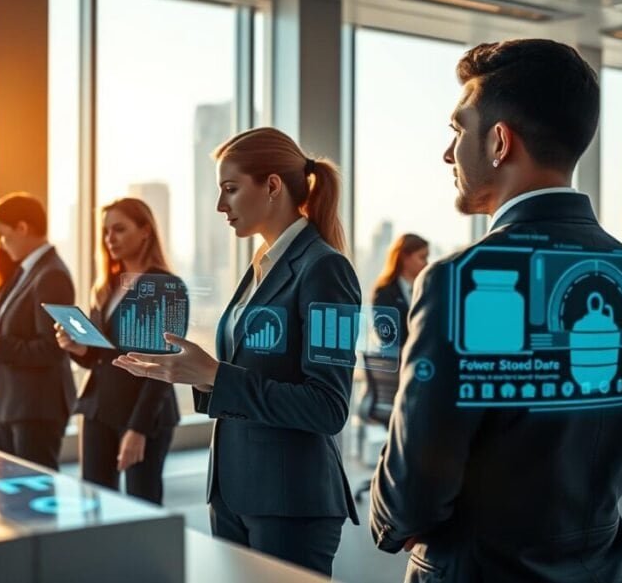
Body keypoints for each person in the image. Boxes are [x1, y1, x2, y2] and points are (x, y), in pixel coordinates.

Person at [369, 39, 622, 582]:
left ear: (500, 142)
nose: (447, 152)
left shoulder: (462, 282)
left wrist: (391, 519)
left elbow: (409, 501)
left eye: (458, 130)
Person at [113, 127, 360, 576]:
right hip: (234, 492)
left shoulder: (326, 269)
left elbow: (329, 406)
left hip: (289, 503)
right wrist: (196, 374)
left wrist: (215, 376)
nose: (219, 206)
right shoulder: (261, 266)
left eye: (230, 189)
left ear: (271, 186)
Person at [55, 197, 181, 504]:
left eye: (120, 229)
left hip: (142, 415)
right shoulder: (106, 287)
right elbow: (100, 357)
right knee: (94, 504)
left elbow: (164, 365)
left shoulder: (165, 286)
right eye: (106, 231)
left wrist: (137, 429)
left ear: (145, 232)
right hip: (99, 410)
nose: (110, 238)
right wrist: (77, 348)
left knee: (143, 506)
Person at [0, 192, 76, 470]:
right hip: (13, 404)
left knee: (32, 497)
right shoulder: (24, 272)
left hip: (35, 409)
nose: (0, 243)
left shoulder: (51, 275)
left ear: (23, 228)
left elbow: (51, 349)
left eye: (3, 234)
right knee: (12, 495)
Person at [372, 233, 429, 350]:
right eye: (422, 257)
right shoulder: (384, 292)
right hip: (397, 362)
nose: (426, 263)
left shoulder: (429, 289)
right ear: (405, 258)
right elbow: (386, 334)